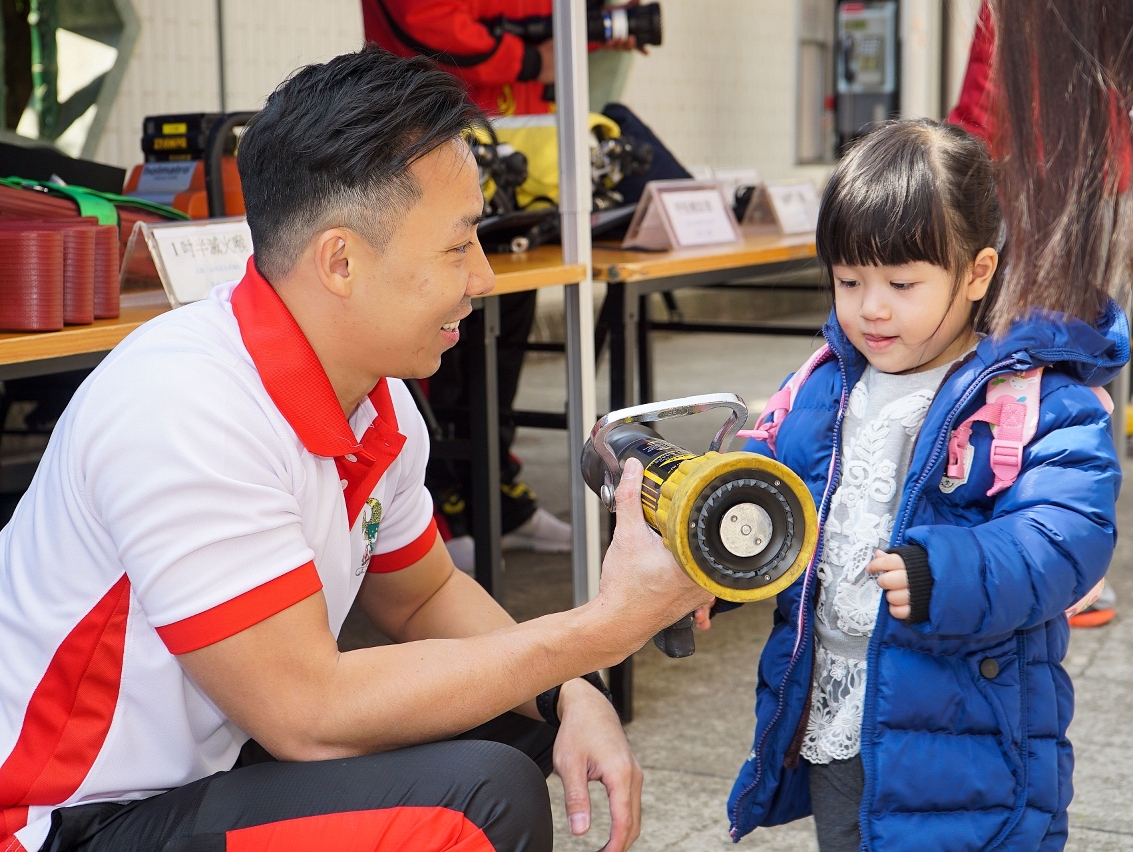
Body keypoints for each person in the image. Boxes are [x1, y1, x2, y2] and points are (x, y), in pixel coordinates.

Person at [0, 47, 714, 852]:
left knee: (511, 722)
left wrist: (567, 694)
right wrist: (602, 629)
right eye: (456, 247)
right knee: (478, 796)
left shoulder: (376, 403)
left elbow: (419, 598)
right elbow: (309, 715)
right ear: (339, 260)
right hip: (60, 822)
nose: (482, 277)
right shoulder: (186, 407)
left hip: (207, 773)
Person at [725, 118, 1126, 851]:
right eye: (849, 280)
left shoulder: (1032, 393)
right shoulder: (825, 382)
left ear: (975, 274)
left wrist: (947, 570)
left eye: (901, 283)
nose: (870, 307)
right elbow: (775, 498)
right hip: (836, 707)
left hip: (965, 721)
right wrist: (723, 567)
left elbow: (1065, 535)